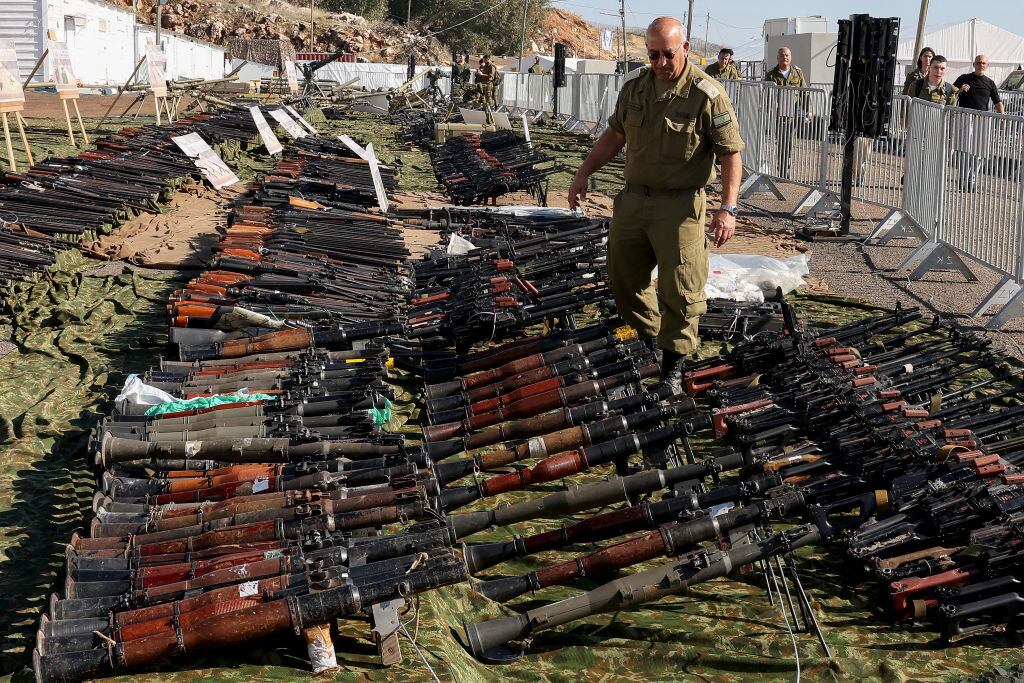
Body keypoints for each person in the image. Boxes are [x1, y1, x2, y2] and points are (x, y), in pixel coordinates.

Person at [566, 16, 744, 392]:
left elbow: (731, 153)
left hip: (680, 208)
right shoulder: (635, 88)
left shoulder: (706, 93)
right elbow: (615, 135)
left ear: (685, 48)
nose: (661, 63)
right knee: (624, 278)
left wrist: (727, 208)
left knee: (681, 289)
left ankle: (673, 371)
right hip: (633, 202)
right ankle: (650, 344)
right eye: (652, 55)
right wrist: (583, 173)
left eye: (667, 54)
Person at [763, 47, 807, 177]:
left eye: (787, 55)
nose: (785, 58)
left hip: (793, 114)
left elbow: (804, 93)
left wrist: (807, 110)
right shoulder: (771, 74)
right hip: (778, 113)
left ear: (791, 57)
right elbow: (766, 94)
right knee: (781, 141)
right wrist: (767, 110)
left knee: (790, 142)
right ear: (778, 58)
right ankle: (782, 169)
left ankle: (786, 166)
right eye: (782, 56)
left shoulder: (797, 73)